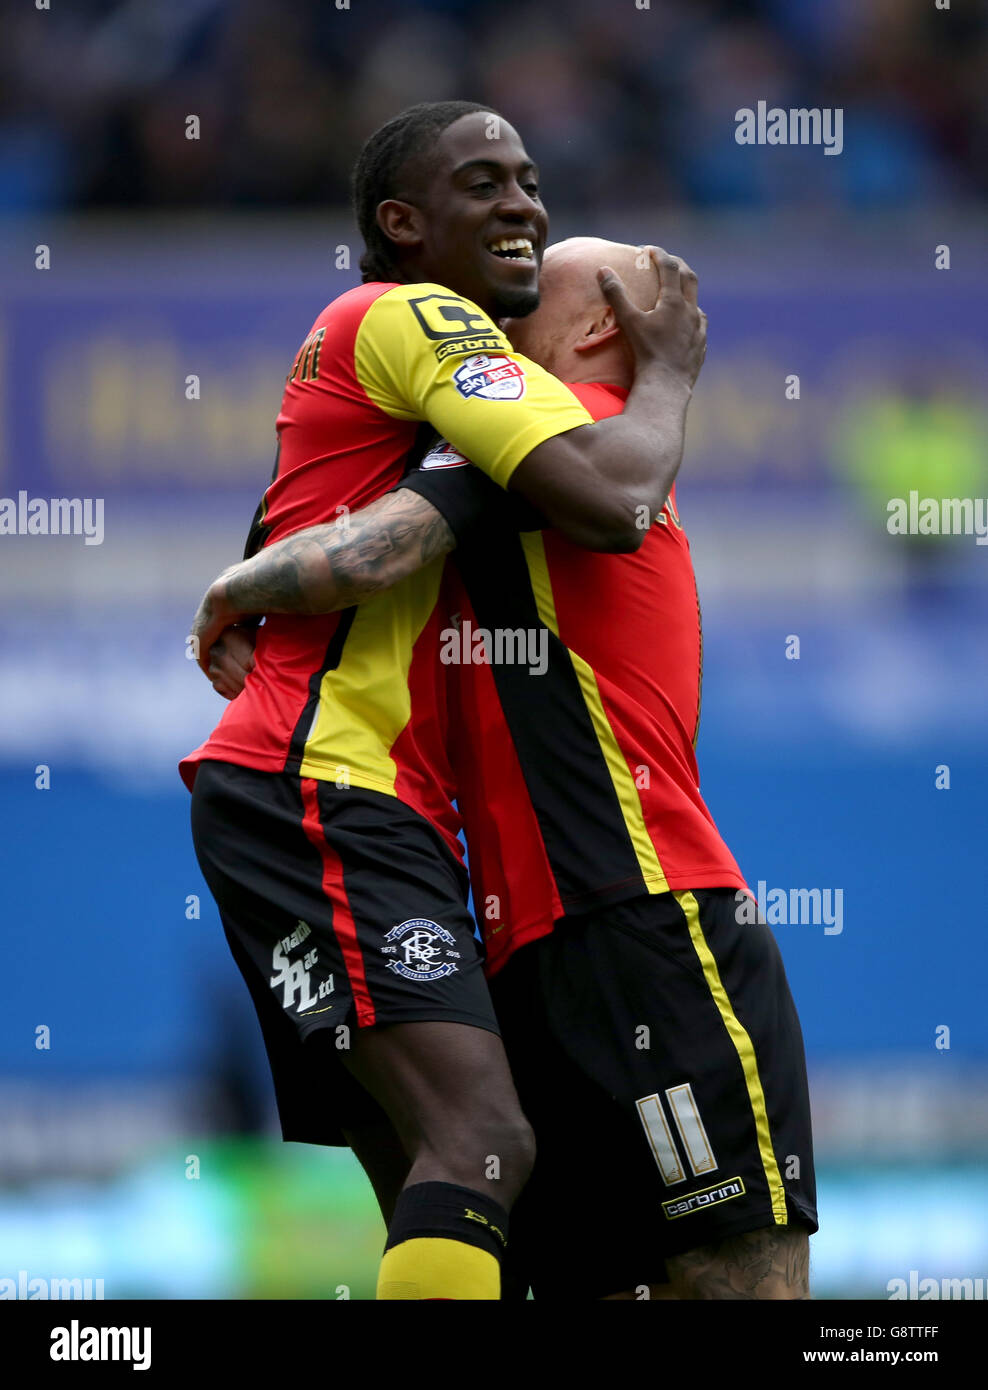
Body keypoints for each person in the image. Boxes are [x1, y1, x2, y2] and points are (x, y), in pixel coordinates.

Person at [197, 238, 817, 1300]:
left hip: (644, 917)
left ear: (594, 330)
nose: (496, 301)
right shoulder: (523, 438)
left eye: (537, 289)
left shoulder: (555, 435)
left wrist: (235, 584)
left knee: (734, 1280)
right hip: (526, 949)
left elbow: (369, 549)